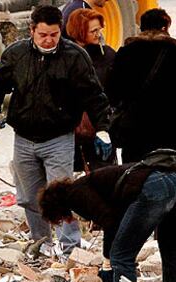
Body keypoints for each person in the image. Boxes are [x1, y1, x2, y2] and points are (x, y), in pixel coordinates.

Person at [0, 5, 111, 255]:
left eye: (54, 34)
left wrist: (103, 129)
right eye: (43, 35)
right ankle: (42, 243)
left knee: (60, 194)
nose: (49, 40)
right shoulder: (16, 54)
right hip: (24, 137)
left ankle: (69, 247)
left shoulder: (74, 56)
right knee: (30, 197)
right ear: (32, 31)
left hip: (59, 137)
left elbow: (94, 95)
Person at [39, 156, 176, 282]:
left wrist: (107, 260)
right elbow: (114, 220)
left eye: (60, 219)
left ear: (57, 208)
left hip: (152, 188)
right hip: (170, 180)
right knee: (170, 251)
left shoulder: (75, 195)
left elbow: (110, 222)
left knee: (121, 257)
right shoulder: (87, 185)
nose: (66, 221)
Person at [107, 8, 176, 162]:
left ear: (142, 27)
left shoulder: (125, 53)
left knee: (135, 176)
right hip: (169, 129)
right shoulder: (173, 52)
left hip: (134, 130)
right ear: (164, 27)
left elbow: (112, 92)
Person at [66, 8, 116, 171]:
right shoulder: (66, 57)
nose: (98, 34)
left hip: (103, 126)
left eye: (99, 29)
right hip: (72, 130)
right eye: (93, 31)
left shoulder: (107, 54)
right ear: (80, 32)